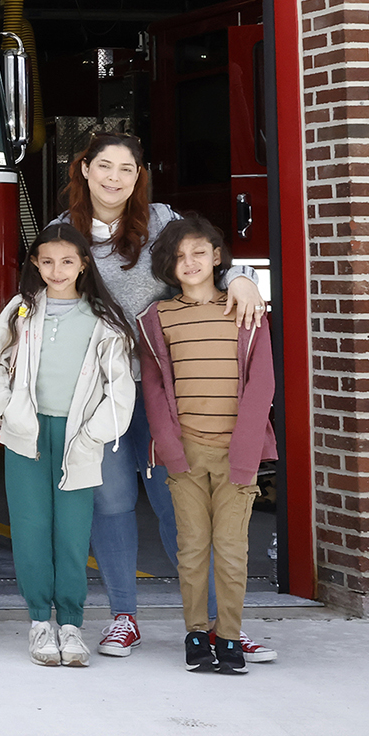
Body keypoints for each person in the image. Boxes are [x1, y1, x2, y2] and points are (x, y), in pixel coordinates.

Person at [47, 131, 267, 658]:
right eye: (105, 166)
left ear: (139, 177)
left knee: (178, 502)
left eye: (127, 169)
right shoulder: (62, 233)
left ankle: (220, 624)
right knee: (112, 501)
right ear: (84, 169)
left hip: (165, 386)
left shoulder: (162, 221)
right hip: (97, 389)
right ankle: (123, 617)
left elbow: (204, 258)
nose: (115, 178)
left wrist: (241, 278)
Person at [0, 225, 137, 666]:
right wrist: (9, 409)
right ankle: (39, 623)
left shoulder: (104, 319)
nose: (57, 270)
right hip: (26, 433)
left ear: (83, 264)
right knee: (30, 527)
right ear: (35, 263)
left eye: (67, 261)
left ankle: (70, 623)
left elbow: (120, 388)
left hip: (78, 438)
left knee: (72, 532)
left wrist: (93, 433)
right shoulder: (21, 310)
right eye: (47, 261)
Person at [138, 212, 278, 675]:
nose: (190, 262)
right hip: (185, 453)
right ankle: (196, 633)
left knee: (232, 550)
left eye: (199, 252)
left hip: (237, 452)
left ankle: (230, 635)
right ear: (167, 265)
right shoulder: (157, 319)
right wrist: (170, 448)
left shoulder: (246, 311)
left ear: (217, 256)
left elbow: (262, 384)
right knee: (193, 548)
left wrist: (247, 450)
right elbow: (155, 389)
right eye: (179, 256)